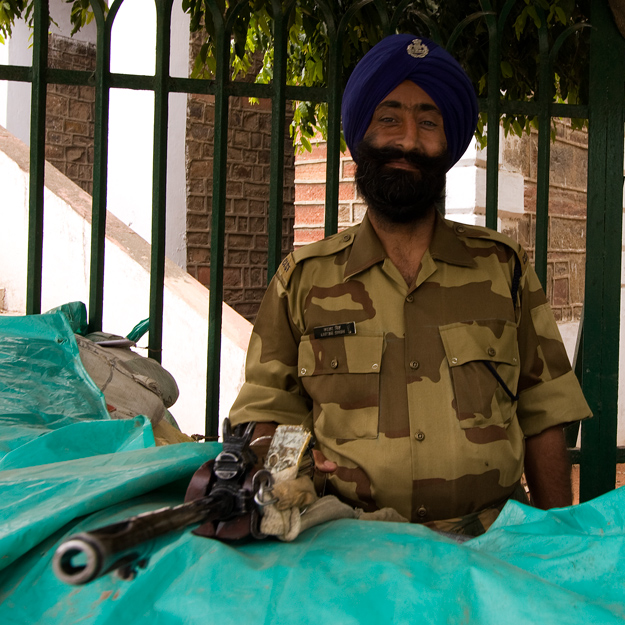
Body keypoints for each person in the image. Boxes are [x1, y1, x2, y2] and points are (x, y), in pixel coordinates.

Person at [228, 33, 591, 536]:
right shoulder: (304, 281)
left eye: (428, 123)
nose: (407, 141)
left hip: (491, 546)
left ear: (447, 146)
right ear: (362, 137)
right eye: (389, 118)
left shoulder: (502, 267)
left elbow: (545, 408)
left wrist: (557, 540)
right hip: (348, 548)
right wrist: (287, 483)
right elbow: (270, 410)